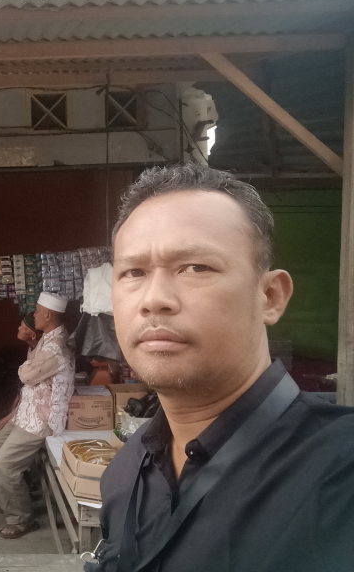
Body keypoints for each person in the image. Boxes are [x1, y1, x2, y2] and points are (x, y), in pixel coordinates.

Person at [93, 163, 354, 572]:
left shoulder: (340, 472)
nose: (154, 299)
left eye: (196, 267)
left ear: (270, 296)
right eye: (134, 272)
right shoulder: (125, 472)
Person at [0, 292, 75, 539]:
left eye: (37, 311)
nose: (34, 315)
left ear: (47, 315)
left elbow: (26, 375)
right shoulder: (47, 339)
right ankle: (12, 498)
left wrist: (24, 369)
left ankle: (21, 519)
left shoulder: (55, 347)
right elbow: (29, 377)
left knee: (5, 464)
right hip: (27, 412)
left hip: (41, 418)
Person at [0, 312, 44, 432]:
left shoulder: (42, 355)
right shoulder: (31, 347)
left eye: (23, 327)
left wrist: (11, 415)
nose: (19, 328)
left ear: (33, 336)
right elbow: (22, 386)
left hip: (36, 411)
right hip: (24, 401)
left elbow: (32, 392)